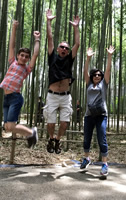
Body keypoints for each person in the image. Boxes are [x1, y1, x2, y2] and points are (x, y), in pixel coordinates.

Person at [43, 9, 80, 154]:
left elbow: (77, 44)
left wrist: (76, 28)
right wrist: (48, 22)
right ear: (58, 49)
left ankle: (57, 140)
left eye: (66, 48)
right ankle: (51, 138)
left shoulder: (70, 59)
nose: (64, 49)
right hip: (52, 95)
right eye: (62, 47)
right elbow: (50, 38)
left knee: (64, 123)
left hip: (65, 96)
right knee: (50, 122)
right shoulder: (52, 57)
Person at [0, 20, 40, 148]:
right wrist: (14, 28)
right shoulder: (12, 62)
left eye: (26, 56)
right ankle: (29, 134)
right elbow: (11, 46)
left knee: (11, 126)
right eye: (21, 55)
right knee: (7, 127)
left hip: (15, 98)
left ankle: (31, 132)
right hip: (6, 98)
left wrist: (37, 39)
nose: (23, 58)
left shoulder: (27, 69)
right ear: (18, 55)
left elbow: (35, 54)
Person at [80, 46, 115, 176]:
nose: (97, 76)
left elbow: (108, 70)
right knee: (86, 139)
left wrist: (109, 56)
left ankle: (105, 164)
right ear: (92, 76)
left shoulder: (103, 84)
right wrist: (88, 59)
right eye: (95, 74)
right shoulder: (88, 84)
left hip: (101, 115)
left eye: (99, 75)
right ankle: (86, 158)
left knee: (102, 138)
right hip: (89, 115)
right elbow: (84, 71)